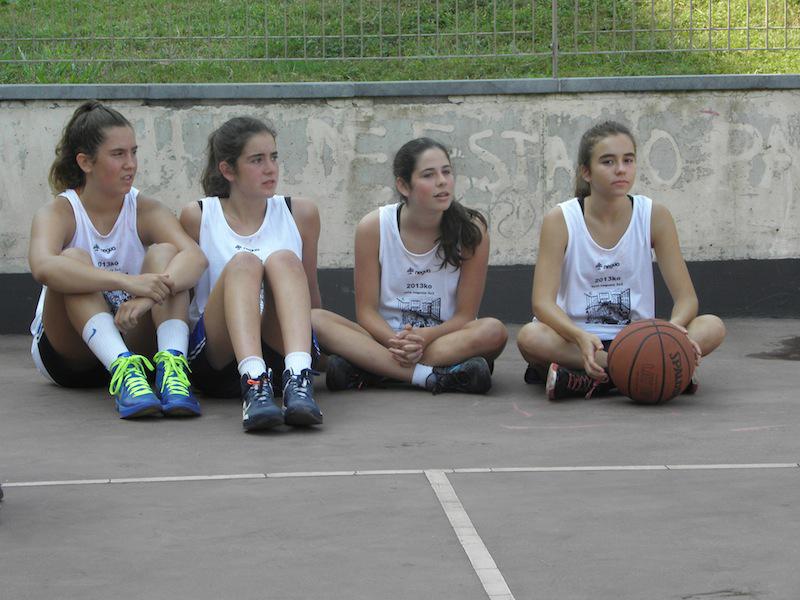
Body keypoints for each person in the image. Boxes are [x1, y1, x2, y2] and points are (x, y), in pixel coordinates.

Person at [517, 121, 726, 401]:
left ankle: (600, 379)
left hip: (639, 339)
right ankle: (656, 372)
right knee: (530, 337)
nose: (620, 169)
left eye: (628, 160)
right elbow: (542, 303)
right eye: (608, 161)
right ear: (586, 172)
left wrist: (672, 330)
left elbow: (687, 299)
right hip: (578, 341)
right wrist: (578, 336)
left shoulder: (654, 215)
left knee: (712, 326)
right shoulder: (561, 219)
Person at [28, 101, 206, 418]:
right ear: (85, 162)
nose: (131, 164)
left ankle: (172, 369)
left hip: (134, 340)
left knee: (167, 253)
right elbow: (43, 266)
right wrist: (126, 282)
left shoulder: (146, 208)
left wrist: (147, 299)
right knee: (72, 260)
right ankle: (121, 369)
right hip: (72, 357)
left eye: (133, 152)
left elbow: (195, 257)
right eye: (118, 154)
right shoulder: (59, 211)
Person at [312, 137, 507, 395]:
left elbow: (465, 316)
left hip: (441, 338)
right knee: (313, 319)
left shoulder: (471, 230)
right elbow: (367, 313)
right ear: (403, 185)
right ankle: (432, 375)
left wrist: (425, 338)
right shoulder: (373, 227)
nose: (442, 181)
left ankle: (372, 368)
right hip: (385, 339)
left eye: (446, 172)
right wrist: (396, 342)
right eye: (428, 175)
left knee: (493, 331)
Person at [180, 116, 323, 432]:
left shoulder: (301, 213)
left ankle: (298, 378)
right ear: (228, 170)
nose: (271, 169)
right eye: (257, 160)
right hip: (220, 359)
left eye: (273, 157)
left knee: (283, 259)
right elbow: (186, 300)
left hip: (281, 352)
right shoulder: (198, 216)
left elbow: (312, 298)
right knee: (244, 263)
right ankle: (253, 381)